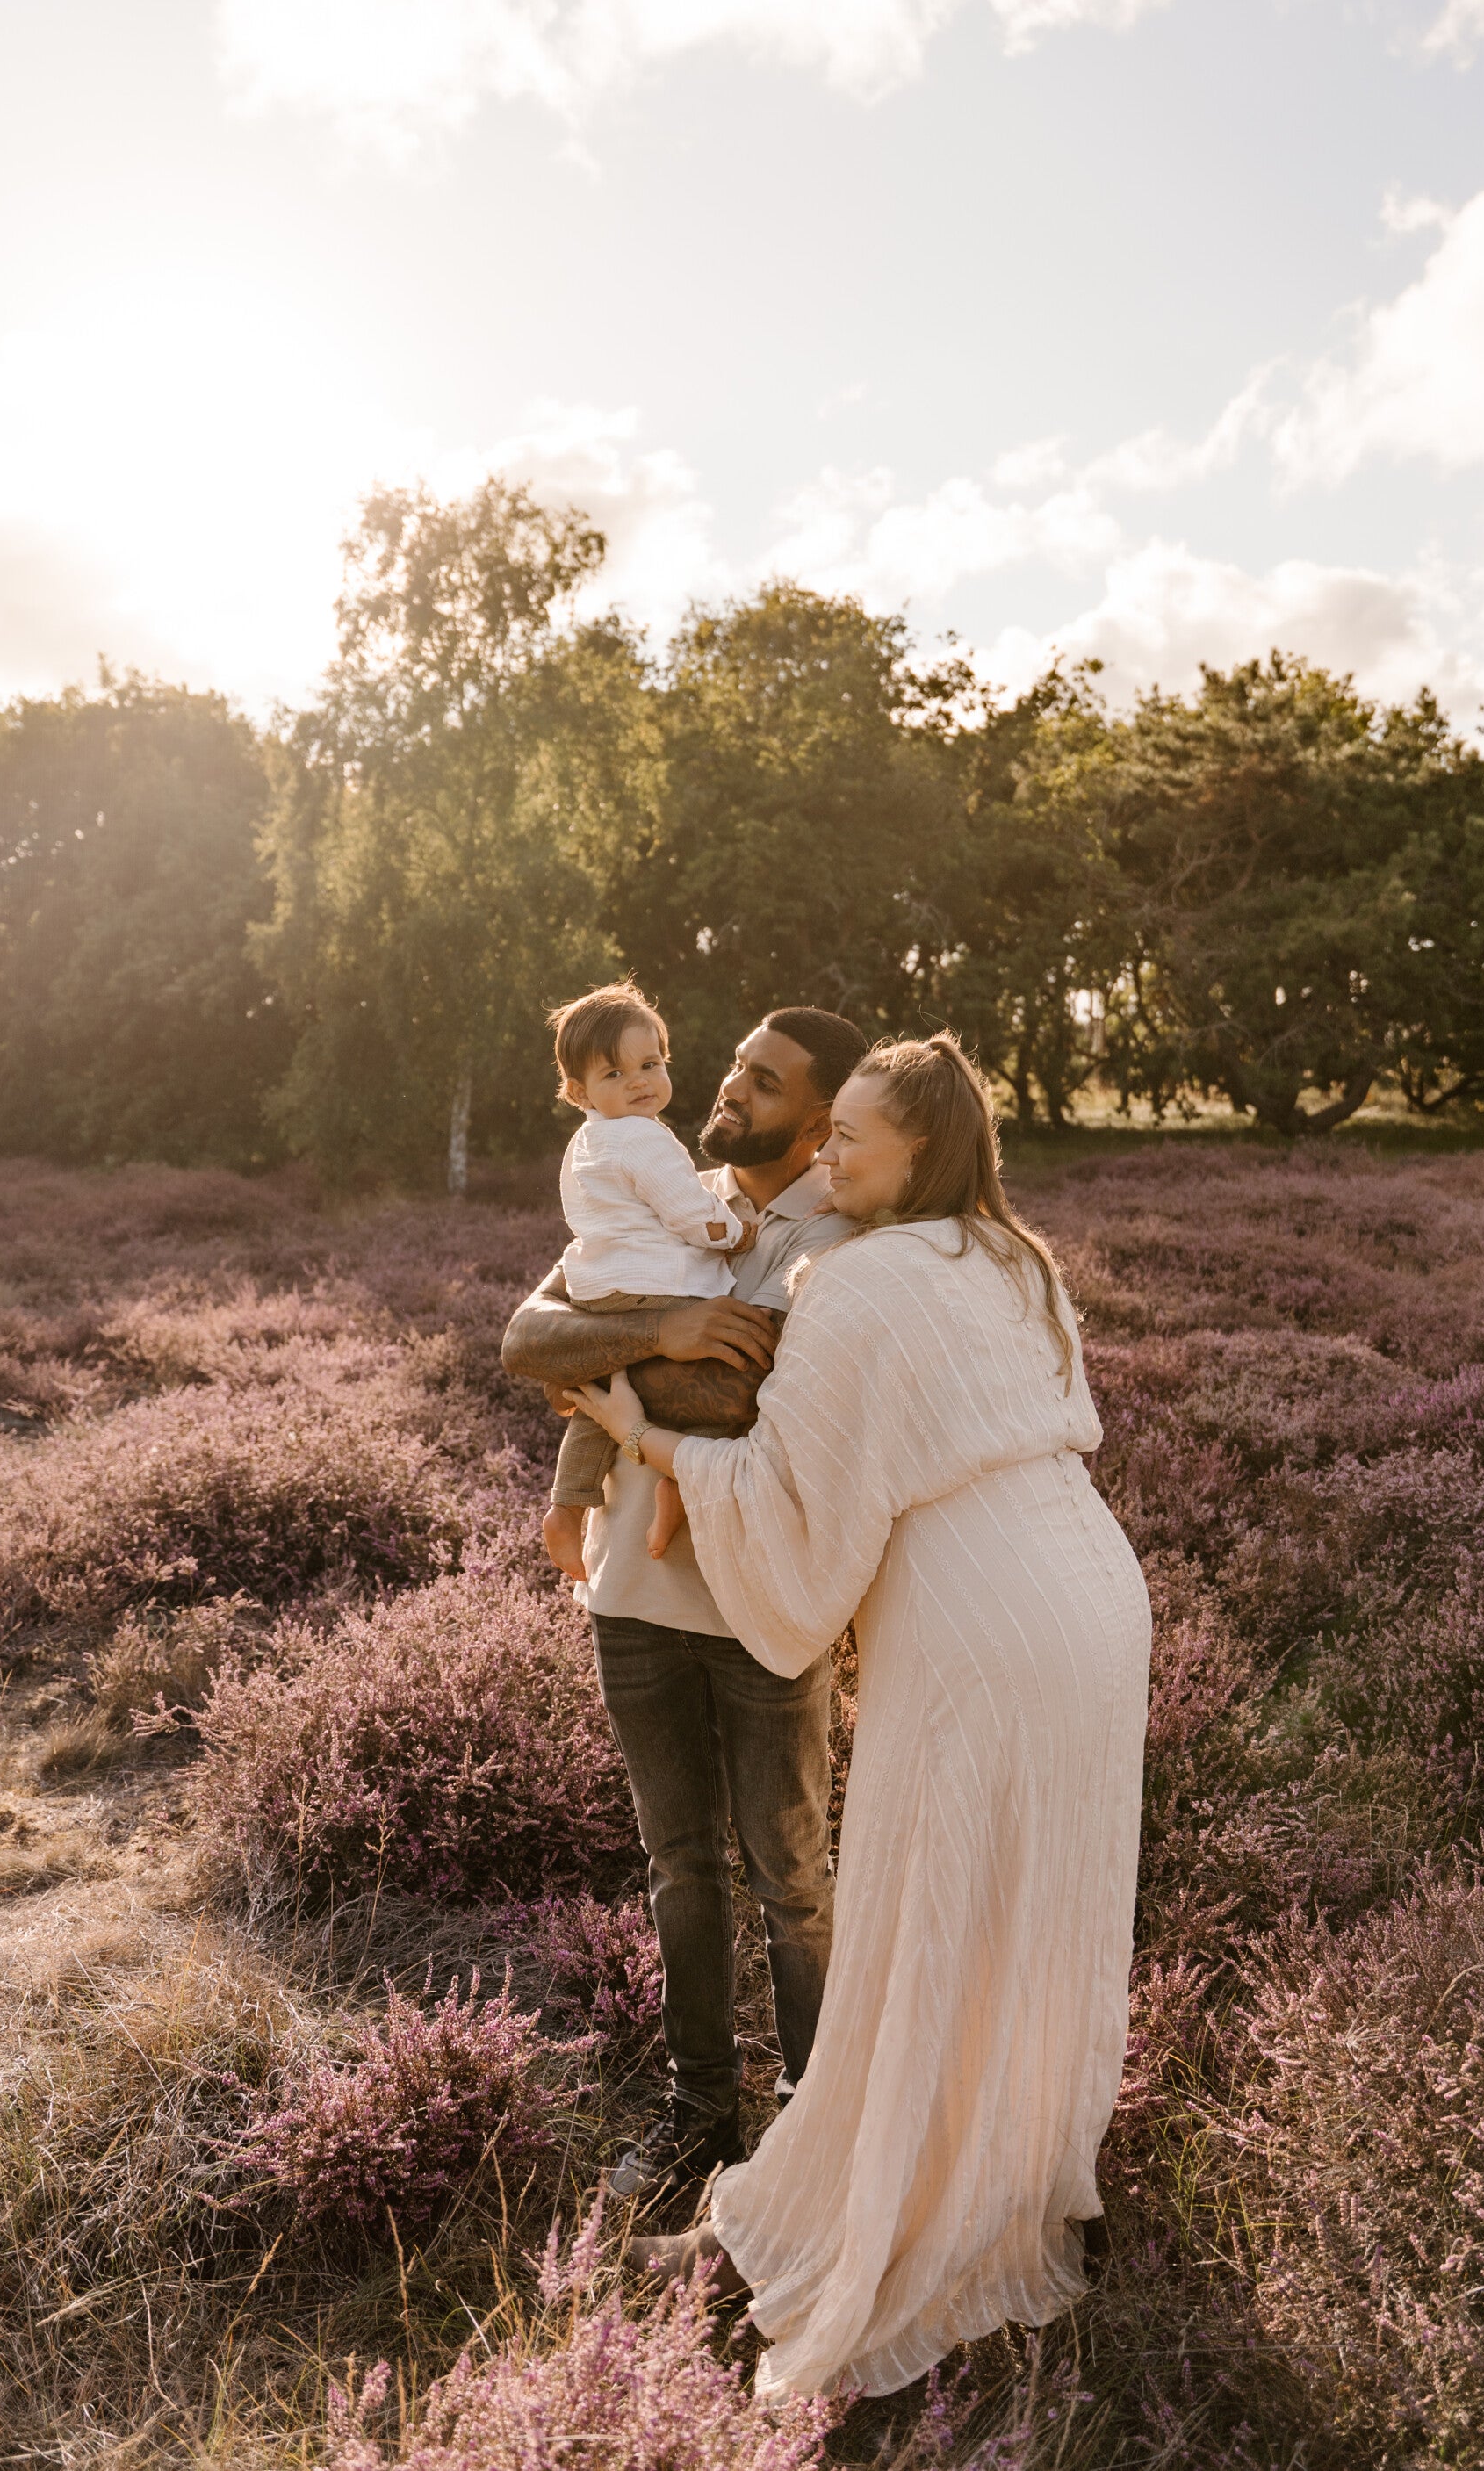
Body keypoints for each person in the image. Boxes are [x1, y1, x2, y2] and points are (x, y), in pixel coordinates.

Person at [568, 1033, 1152, 2400]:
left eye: (850, 1140)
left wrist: (642, 1436)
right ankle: (1011, 2184)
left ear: (919, 1153)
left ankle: (850, 2217)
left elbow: (793, 1495)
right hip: (1091, 1592)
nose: (823, 1158)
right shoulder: (1017, 1256)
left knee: (920, 1918)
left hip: (978, 1621)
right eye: (823, 1137)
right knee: (1031, 1911)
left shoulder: (860, 1275)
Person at [500, 1005, 870, 2204]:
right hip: (636, 1596)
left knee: (794, 1878)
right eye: (735, 1067)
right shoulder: (657, 1177)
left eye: (764, 1082)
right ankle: (698, 2108)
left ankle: (810, 2125)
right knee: (678, 1864)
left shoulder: (853, 1230)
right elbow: (527, 1335)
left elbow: (789, 1414)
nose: (728, 1085)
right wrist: (664, 1324)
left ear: (820, 1118)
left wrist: (632, 1392)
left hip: (768, 1605)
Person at [543, 981, 755, 1581]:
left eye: (650, 1063)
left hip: (603, 1289)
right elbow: (689, 1212)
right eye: (615, 1073)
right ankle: (676, 1483)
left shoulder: (585, 1142)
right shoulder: (643, 1137)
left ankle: (568, 1504)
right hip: (658, 1282)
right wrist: (734, 1230)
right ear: (579, 1090)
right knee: (723, 1363)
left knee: (605, 1391)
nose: (639, 1080)